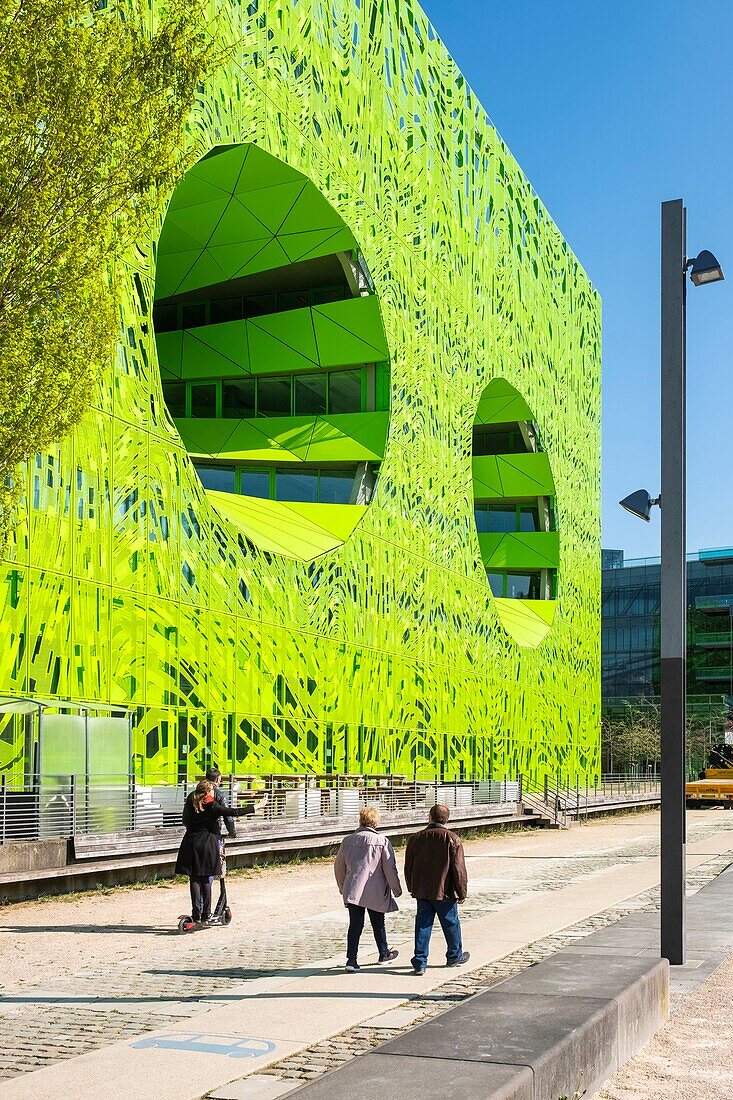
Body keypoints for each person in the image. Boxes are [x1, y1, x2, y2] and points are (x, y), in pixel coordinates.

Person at [334, 806, 402, 972]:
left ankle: (351, 959)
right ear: (376, 822)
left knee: (355, 924)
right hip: (376, 889)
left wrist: (343, 887)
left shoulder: (348, 840)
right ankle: (383, 953)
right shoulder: (381, 841)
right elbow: (389, 868)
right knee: (378, 922)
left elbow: (339, 867)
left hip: (354, 888)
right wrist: (396, 889)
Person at [404, 803, 470, 975]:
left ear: (430, 817)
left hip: (422, 890)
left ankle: (420, 961)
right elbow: (459, 868)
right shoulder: (452, 838)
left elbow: (408, 866)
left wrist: (412, 886)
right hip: (445, 891)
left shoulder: (416, 838)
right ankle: (454, 955)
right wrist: (462, 892)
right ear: (447, 819)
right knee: (450, 923)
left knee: (423, 925)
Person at [175, 779, 253, 924]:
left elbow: (185, 820)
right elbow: (233, 812)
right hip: (207, 844)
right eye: (211, 790)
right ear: (207, 792)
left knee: (194, 878)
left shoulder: (191, 801)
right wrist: (256, 806)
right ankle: (206, 914)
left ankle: (196, 913)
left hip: (190, 842)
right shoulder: (211, 805)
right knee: (205, 878)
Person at [206, 767, 237, 840]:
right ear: (217, 780)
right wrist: (232, 833)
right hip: (213, 832)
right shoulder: (219, 795)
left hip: (195, 833)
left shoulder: (194, 794)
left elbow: (185, 818)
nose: (220, 782)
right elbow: (227, 815)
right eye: (220, 779)